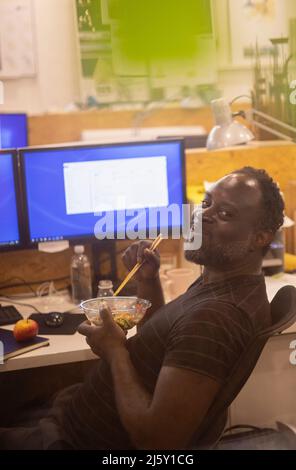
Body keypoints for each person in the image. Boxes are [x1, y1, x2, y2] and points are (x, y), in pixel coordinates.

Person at [0, 167, 284, 450]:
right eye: (206, 203)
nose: (202, 216)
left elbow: (158, 442)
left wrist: (114, 351)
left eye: (225, 214)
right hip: (72, 418)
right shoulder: (225, 281)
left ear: (260, 237)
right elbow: (160, 342)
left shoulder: (215, 317)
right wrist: (148, 281)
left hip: (71, 441)